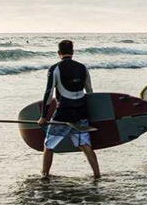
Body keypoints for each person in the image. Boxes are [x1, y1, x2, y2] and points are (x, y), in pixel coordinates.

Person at [37, 40, 100, 178]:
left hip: (63, 113)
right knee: (84, 144)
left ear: (59, 53)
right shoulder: (83, 68)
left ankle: (45, 175)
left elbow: (49, 93)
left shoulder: (55, 69)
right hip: (81, 112)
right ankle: (97, 174)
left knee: (49, 145)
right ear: (73, 52)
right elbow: (89, 91)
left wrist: (43, 116)